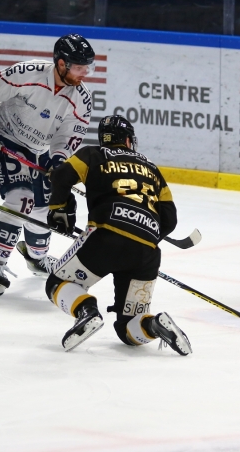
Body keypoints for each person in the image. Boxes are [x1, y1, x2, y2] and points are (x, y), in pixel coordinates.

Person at [44, 115, 191, 355]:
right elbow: (170, 219)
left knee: (56, 283)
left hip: (105, 237)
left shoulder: (93, 154)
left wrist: (58, 210)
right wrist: (143, 236)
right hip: (147, 252)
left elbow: (61, 176)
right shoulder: (152, 168)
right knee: (127, 329)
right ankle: (154, 325)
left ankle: (87, 312)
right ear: (127, 139)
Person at [0, 33, 95, 296]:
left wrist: (59, 161)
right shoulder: (29, 72)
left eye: (88, 67)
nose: (86, 73)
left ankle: (36, 256)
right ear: (61, 64)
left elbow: (68, 136)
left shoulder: (82, 100)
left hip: (36, 152)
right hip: (3, 137)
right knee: (21, 198)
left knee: (44, 208)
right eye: (80, 67)